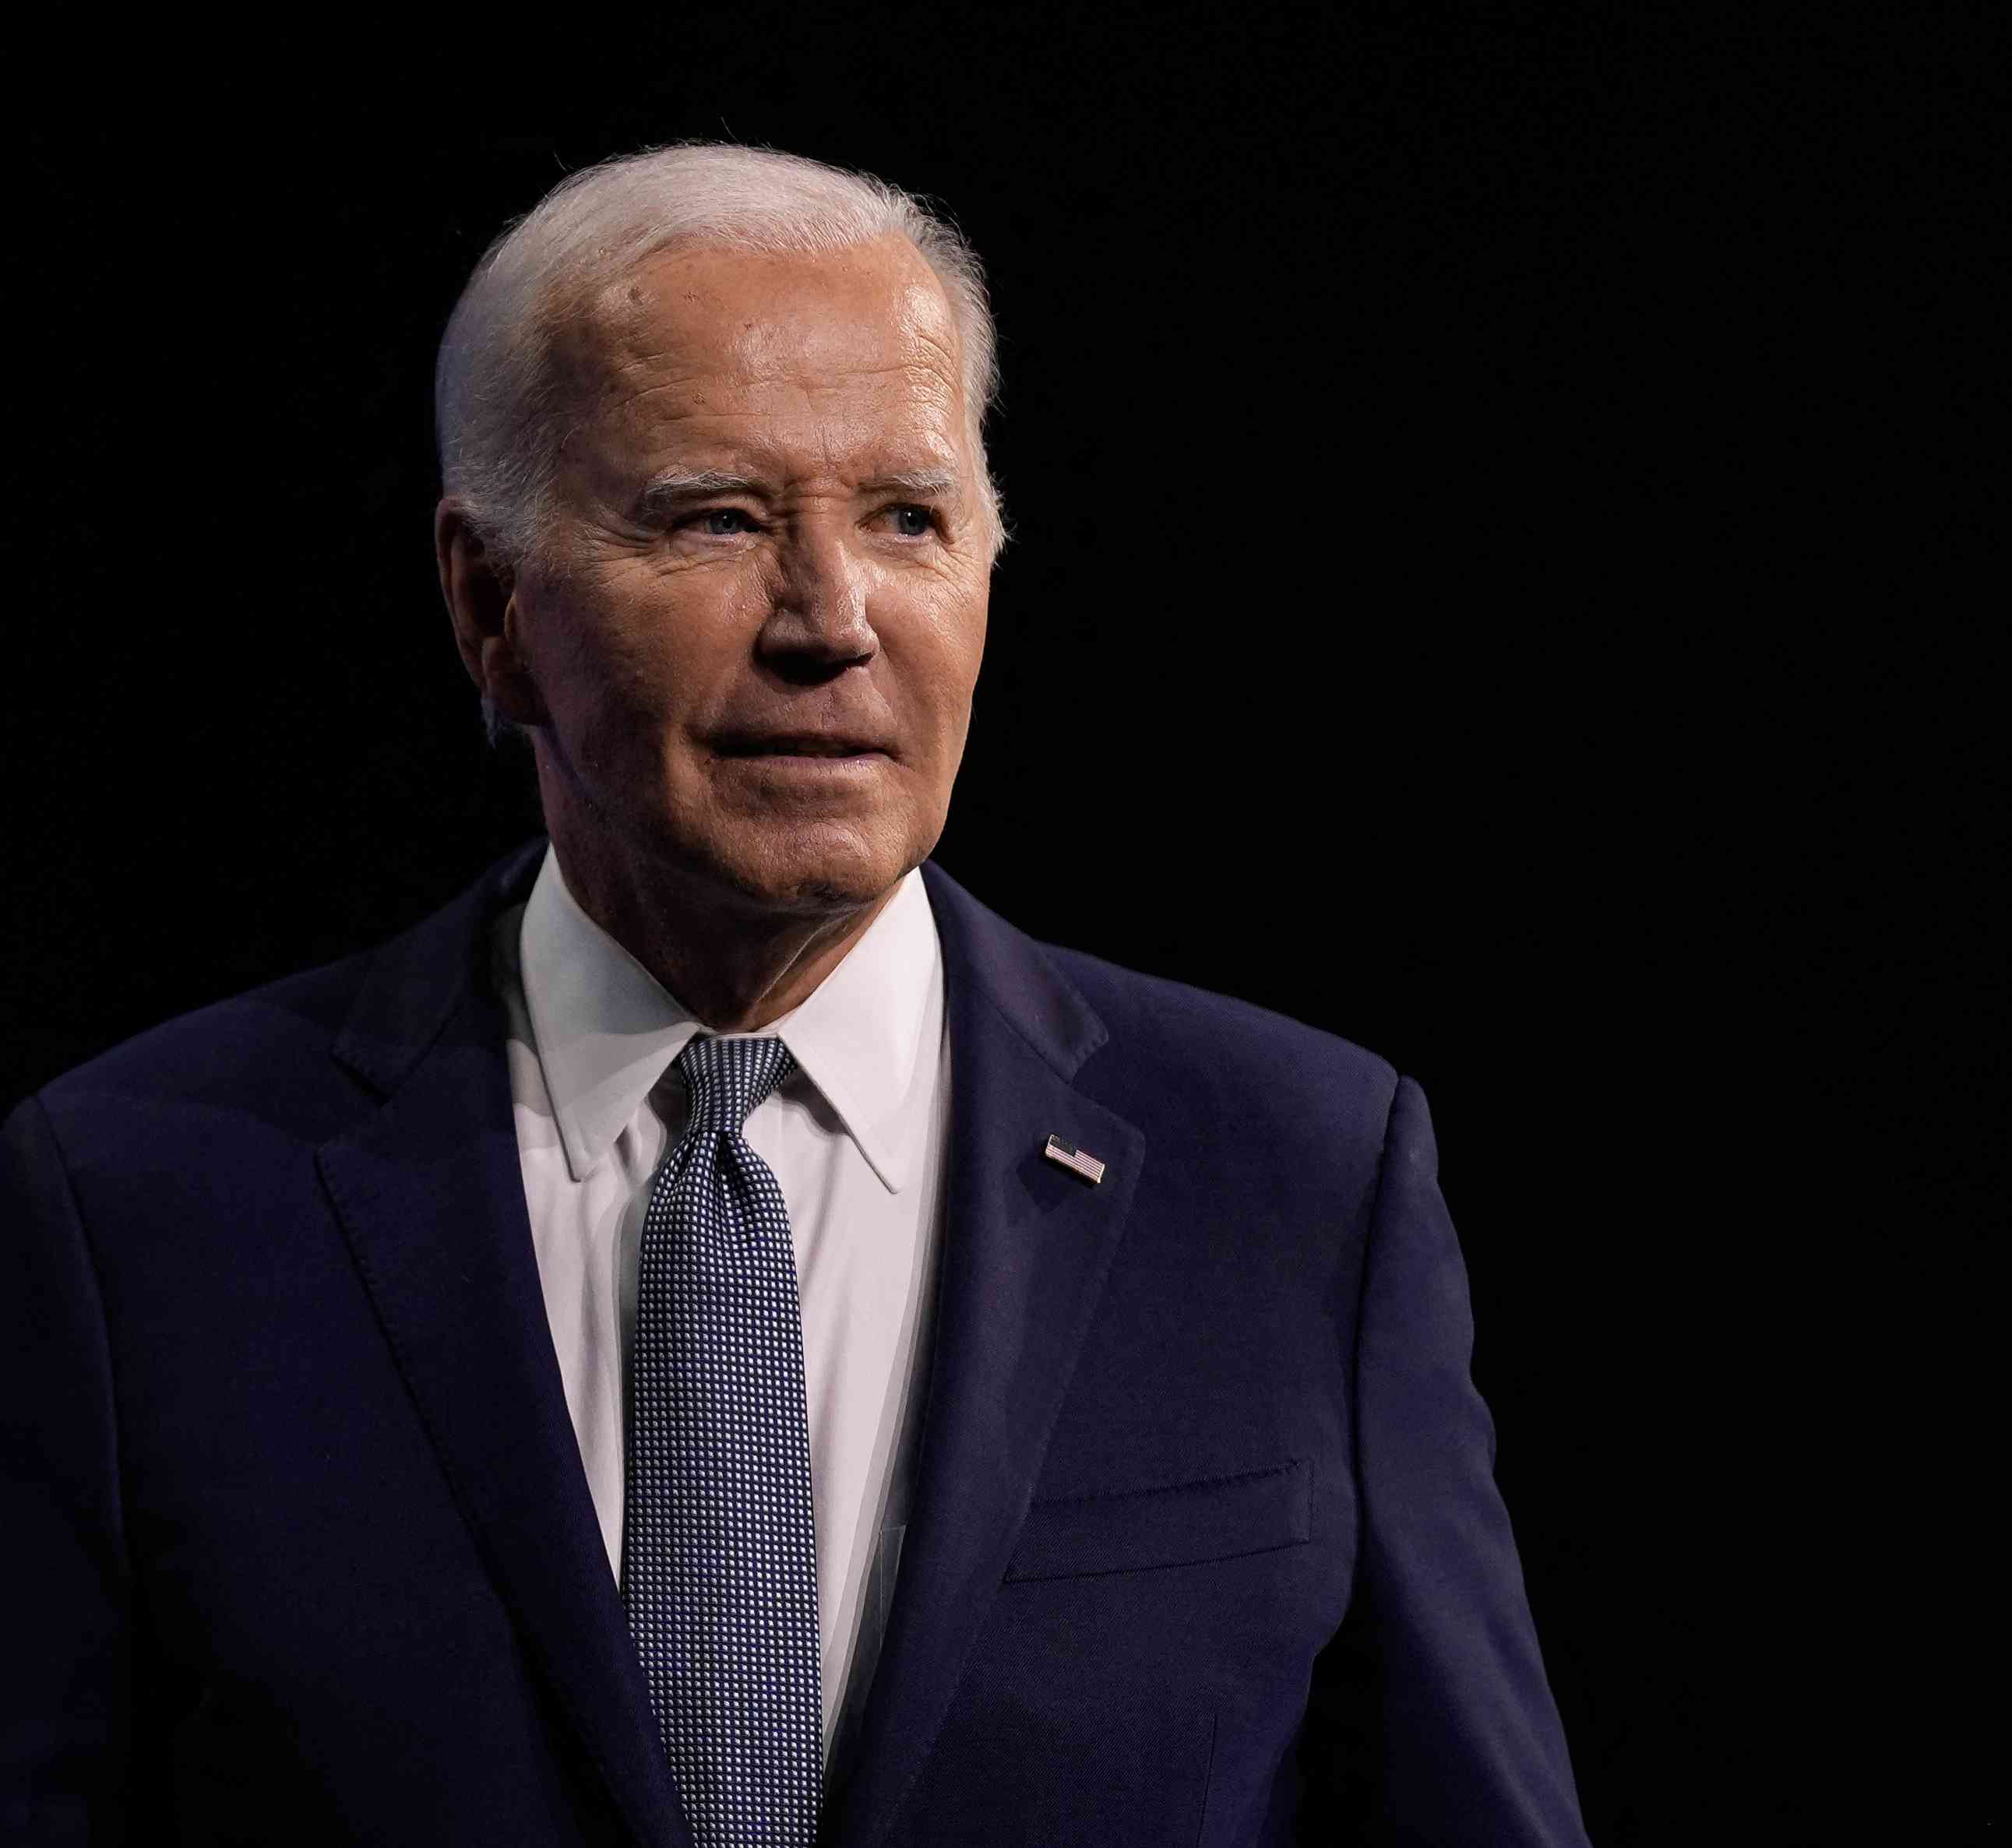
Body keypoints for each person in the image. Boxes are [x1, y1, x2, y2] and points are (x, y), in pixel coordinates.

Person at [0, 143, 1587, 1846]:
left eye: (908, 516)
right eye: (717, 519)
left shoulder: (1298, 1175)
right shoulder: (140, 1201)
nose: (831, 620)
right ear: (489, 602)